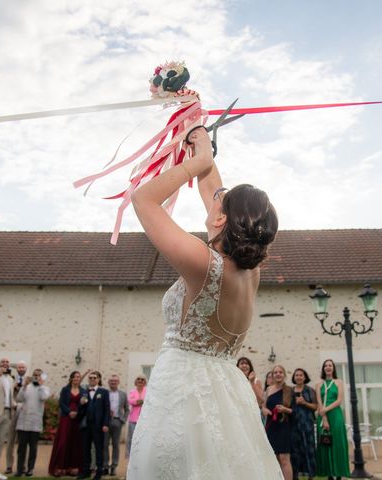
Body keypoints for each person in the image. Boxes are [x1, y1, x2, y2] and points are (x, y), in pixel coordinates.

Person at [126, 108, 282, 479]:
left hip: (184, 391)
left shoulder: (205, 263)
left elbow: (143, 200)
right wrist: (194, 126)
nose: (213, 199)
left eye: (219, 203)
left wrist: (198, 161)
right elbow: (213, 188)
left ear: (220, 219)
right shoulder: (250, 271)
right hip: (227, 393)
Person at [315, 359, 349, 480]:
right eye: (325, 366)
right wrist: (323, 417)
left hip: (335, 414)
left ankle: (339, 473)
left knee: (337, 442)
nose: (328, 367)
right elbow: (319, 401)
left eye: (330, 365)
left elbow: (339, 400)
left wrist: (326, 409)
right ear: (323, 369)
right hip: (323, 415)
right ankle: (329, 473)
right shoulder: (319, 384)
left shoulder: (339, 382)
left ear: (333, 368)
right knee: (325, 443)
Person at [48, 371, 84, 477]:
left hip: (77, 419)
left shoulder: (83, 391)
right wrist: (69, 412)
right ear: (71, 378)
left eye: (78, 377)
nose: (76, 378)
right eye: (75, 377)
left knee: (74, 442)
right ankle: (59, 466)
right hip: (66, 418)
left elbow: (84, 404)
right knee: (63, 441)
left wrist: (77, 412)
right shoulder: (65, 389)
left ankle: (72, 467)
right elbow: (61, 403)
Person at [15, 368, 50, 476]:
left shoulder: (45, 388)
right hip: (23, 422)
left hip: (35, 423)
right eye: (35, 375)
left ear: (42, 377)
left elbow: (43, 397)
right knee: (21, 448)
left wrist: (40, 385)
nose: (37, 377)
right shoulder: (27, 387)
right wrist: (24, 386)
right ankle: (20, 469)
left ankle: (30, 468)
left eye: (39, 375)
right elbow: (19, 399)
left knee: (33, 448)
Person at [262, 365, 295, 480]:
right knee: (274, 458)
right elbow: (263, 405)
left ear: (284, 375)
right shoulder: (268, 389)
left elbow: (296, 411)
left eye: (280, 372)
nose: (278, 374)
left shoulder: (290, 390)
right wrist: (264, 410)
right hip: (271, 427)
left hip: (284, 427)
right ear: (272, 375)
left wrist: (285, 409)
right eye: (275, 372)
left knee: (284, 459)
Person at [77, 371, 109, 480]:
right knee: (86, 449)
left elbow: (106, 409)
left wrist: (105, 424)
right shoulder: (84, 392)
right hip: (86, 425)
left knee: (99, 449)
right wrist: (81, 404)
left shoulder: (104, 392)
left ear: (99, 379)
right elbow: (80, 410)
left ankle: (99, 471)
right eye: (90, 378)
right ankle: (86, 471)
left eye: (94, 377)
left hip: (98, 425)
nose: (92, 379)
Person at [290, 368, 317, 480]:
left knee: (309, 449)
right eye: (296, 375)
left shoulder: (310, 390)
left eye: (301, 375)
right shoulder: (290, 391)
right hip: (294, 424)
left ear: (305, 377)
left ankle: (311, 475)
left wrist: (304, 402)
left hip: (307, 424)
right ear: (294, 377)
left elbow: (315, 406)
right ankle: (295, 475)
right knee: (295, 450)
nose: (299, 377)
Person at [103, 374, 128, 477]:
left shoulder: (123, 394)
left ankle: (113, 467)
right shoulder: (104, 393)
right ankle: (105, 466)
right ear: (108, 383)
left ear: (118, 382)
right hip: (106, 422)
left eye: (115, 381)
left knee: (116, 445)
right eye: (111, 381)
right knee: (104, 445)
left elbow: (127, 409)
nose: (113, 382)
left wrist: (123, 420)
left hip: (117, 422)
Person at [5, 361, 27, 475]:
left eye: (23, 367)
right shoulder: (11, 379)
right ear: (17, 369)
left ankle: (23, 465)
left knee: (23, 440)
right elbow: (8, 394)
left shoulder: (29, 380)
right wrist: (13, 404)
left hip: (24, 411)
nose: (21, 368)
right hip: (13, 410)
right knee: (10, 440)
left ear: (26, 368)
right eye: (19, 367)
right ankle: (9, 465)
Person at [126, 374, 147, 460]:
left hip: (144, 419)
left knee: (143, 439)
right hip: (133, 419)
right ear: (136, 381)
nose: (140, 381)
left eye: (142, 380)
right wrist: (139, 402)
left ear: (145, 382)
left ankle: (141, 458)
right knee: (131, 439)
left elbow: (148, 401)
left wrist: (141, 401)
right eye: (138, 379)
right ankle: (130, 457)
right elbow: (130, 401)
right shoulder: (132, 391)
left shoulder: (148, 391)